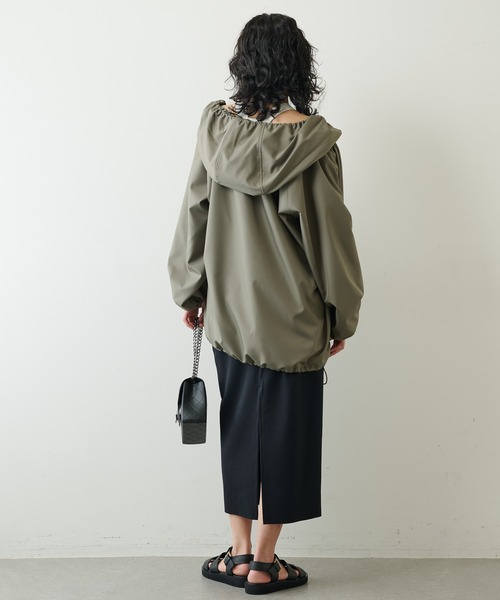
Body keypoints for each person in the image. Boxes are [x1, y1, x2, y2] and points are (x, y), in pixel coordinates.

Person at [168, 12, 363, 595]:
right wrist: (342, 314)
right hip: (294, 319)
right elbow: (330, 238)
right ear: (300, 66)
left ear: (244, 63)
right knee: (286, 435)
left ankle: (238, 552)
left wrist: (191, 289)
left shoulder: (216, 129)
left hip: (230, 313)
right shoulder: (313, 142)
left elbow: (195, 212)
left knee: (239, 428)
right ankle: (265, 562)